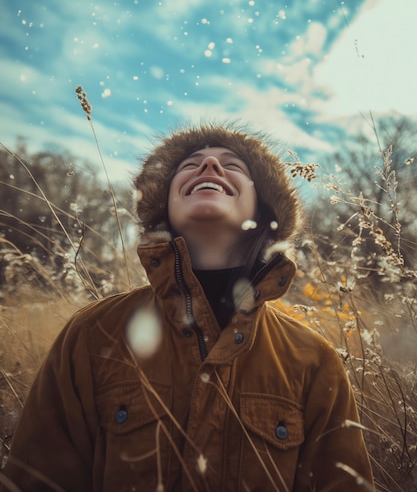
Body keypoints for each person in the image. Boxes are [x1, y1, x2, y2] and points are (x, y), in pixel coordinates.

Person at [2, 124, 374, 492]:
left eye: (233, 165)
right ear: (163, 205)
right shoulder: (92, 333)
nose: (209, 164)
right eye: (190, 164)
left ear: (263, 210)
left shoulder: (312, 359)